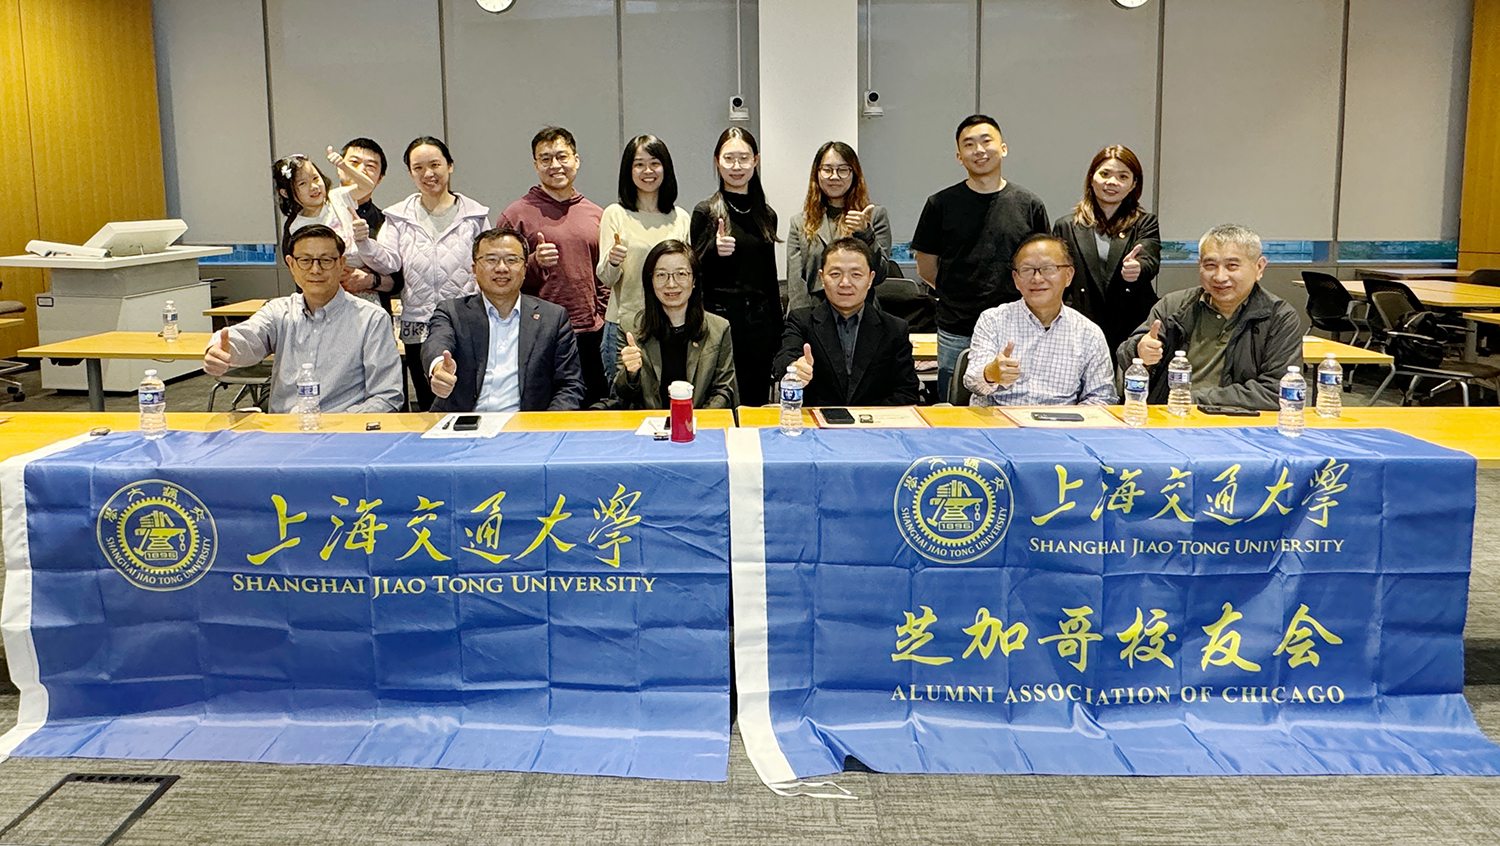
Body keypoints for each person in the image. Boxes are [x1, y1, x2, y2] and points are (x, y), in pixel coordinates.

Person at [911, 114, 1050, 396]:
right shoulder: (940, 204)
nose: (979, 150)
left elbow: (1043, 265)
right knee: (953, 407)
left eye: (986, 141)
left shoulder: (1029, 204)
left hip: (1016, 328)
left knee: (1016, 402)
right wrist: (956, 294)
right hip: (957, 328)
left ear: (1003, 148)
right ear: (959, 156)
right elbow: (926, 268)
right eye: (969, 144)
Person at [202, 224, 403, 414]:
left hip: (343, 430)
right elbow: (249, 336)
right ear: (291, 265)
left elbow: (387, 396)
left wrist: (340, 423)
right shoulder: (279, 312)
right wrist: (222, 349)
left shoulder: (371, 319)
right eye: (305, 260)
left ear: (341, 264)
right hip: (284, 429)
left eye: (326, 260)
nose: (315, 269)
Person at [352, 136, 490, 411]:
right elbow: (389, 263)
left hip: (467, 322)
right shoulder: (398, 217)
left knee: (472, 399)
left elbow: (487, 264)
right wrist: (365, 242)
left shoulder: (475, 216)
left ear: (450, 165)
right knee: (430, 405)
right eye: (418, 168)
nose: (428, 174)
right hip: (419, 325)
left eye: (435, 164)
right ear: (410, 172)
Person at [1117, 223, 1302, 411]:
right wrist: (1139, 349)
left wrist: (1192, 399)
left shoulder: (1279, 317)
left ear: (1259, 268)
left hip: (1237, 421)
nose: (1220, 277)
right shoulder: (1174, 306)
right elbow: (1125, 356)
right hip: (1169, 417)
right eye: (1210, 265)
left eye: (1232, 266)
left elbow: (1276, 391)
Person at [498, 127, 608, 405]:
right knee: (546, 412)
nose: (555, 165)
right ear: (536, 165)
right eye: (545, 159)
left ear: (576, 160)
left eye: (562, 156)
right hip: (539, 334)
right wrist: (534, 262)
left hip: (591, 333)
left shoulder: (597, 214)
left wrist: (601, 316)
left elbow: (605, 277)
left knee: (594, 411)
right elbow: (497, 279)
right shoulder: (516, 214)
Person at [423, 227, 585, 413]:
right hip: (464, 422)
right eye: (491, 260)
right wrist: (439, 369)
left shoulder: (553, 318)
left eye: (512, 260)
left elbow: (570, 385)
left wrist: (544, 425)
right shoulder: (452, 312)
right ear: (474, 269)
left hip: (526, 424)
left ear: (525, 269)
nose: (501, 268)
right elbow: (436, 343)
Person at [963, 235, 1116, 406]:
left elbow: (1102, 397)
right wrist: (990, 374)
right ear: (1016, 279)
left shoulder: (1089, 333)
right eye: (1027, 270)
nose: (1037, 278)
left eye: (1048, 268)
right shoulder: (993, 320)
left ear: (1068, 275)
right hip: (999, 417)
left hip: (1060, 420)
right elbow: (972, 381)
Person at [773, 237, 920, 407]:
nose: (845, 283)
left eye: (856, 275)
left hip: (875, 420)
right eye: (835, 274)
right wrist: (795, 368)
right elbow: (783, 359)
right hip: (817, 419)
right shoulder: (801, 321)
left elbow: (907, 392)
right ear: (822, 277)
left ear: (870, 279)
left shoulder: (894, 328)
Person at [691, 127, 781, 405]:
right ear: (717, 161)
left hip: (759, 326)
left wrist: (779, 336)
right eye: (729, 158)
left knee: (755, 403)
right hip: (720, 322)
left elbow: (770, 278)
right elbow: (691, 274)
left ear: (756, 160)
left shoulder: (766, 214)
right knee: (720, 400)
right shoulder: (706, 212)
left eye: (743, 158)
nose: (736, 166)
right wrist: (714, 252)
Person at [597, 134, 692, 386]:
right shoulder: (615, 214)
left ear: (665, 168)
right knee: (624, 397)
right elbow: (606, 279)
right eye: (639, 164)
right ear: (628, 171)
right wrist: (613, 261)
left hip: (670, 326)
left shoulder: (680, 218)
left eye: (654, 163)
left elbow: (688, 276)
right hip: (625, 326)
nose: (647, 171)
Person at [1052, 144, 1161, 353]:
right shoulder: (1066, 226)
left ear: (1133, 184)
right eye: (1105, 174)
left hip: (1130, 323)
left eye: (1122, 176)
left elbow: (1149, 258)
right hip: (1080, 322)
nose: (1112, 182)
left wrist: (1137, 268)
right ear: (1092, 178)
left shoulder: (1144, 223)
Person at [613, 239, 737, 410]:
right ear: (650, 281)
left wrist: (695, 421)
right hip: (649, 422)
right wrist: (631, 374)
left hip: (699, 421)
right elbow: (621, 396)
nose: (671, 284)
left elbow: (724, 391)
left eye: (681, 274)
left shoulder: (719, 328)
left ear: (694, 280)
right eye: (661, 275)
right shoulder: (630, 328)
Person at [786, 141, 892, 312]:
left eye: (843, 170)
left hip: (861, 313)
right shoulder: (800, 223)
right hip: (814, 311)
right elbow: (796, 283)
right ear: (817, 173)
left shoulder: (874, 216)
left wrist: (865, 233)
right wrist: (803, 320)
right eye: (827, 169)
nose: (834, 176)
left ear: (854, 173)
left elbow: (880, 274)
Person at [271, 149, 379, 307]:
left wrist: (344, 166)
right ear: (285, 193)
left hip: (362, 280)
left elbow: (367, 186)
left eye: (315, 178)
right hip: (331, 288)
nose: (313, 186)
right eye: (302, 183)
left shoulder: (337, 197)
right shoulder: (298, 226)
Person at [335, 137, 404, 314]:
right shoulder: (318, 212)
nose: (361, 170)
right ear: (339, 168)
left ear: (380, 178)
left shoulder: (388, 221)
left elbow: (399, 280)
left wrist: (369, 280)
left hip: (374, 316)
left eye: (371, 166)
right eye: (353, 163)